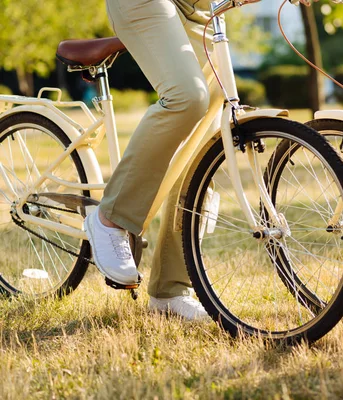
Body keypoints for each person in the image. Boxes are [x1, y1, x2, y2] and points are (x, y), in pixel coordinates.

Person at [84, 0, 222, 320]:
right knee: (188, 97)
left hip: (201, 6)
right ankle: (111, 217)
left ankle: (170, 290)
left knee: (208, 131)